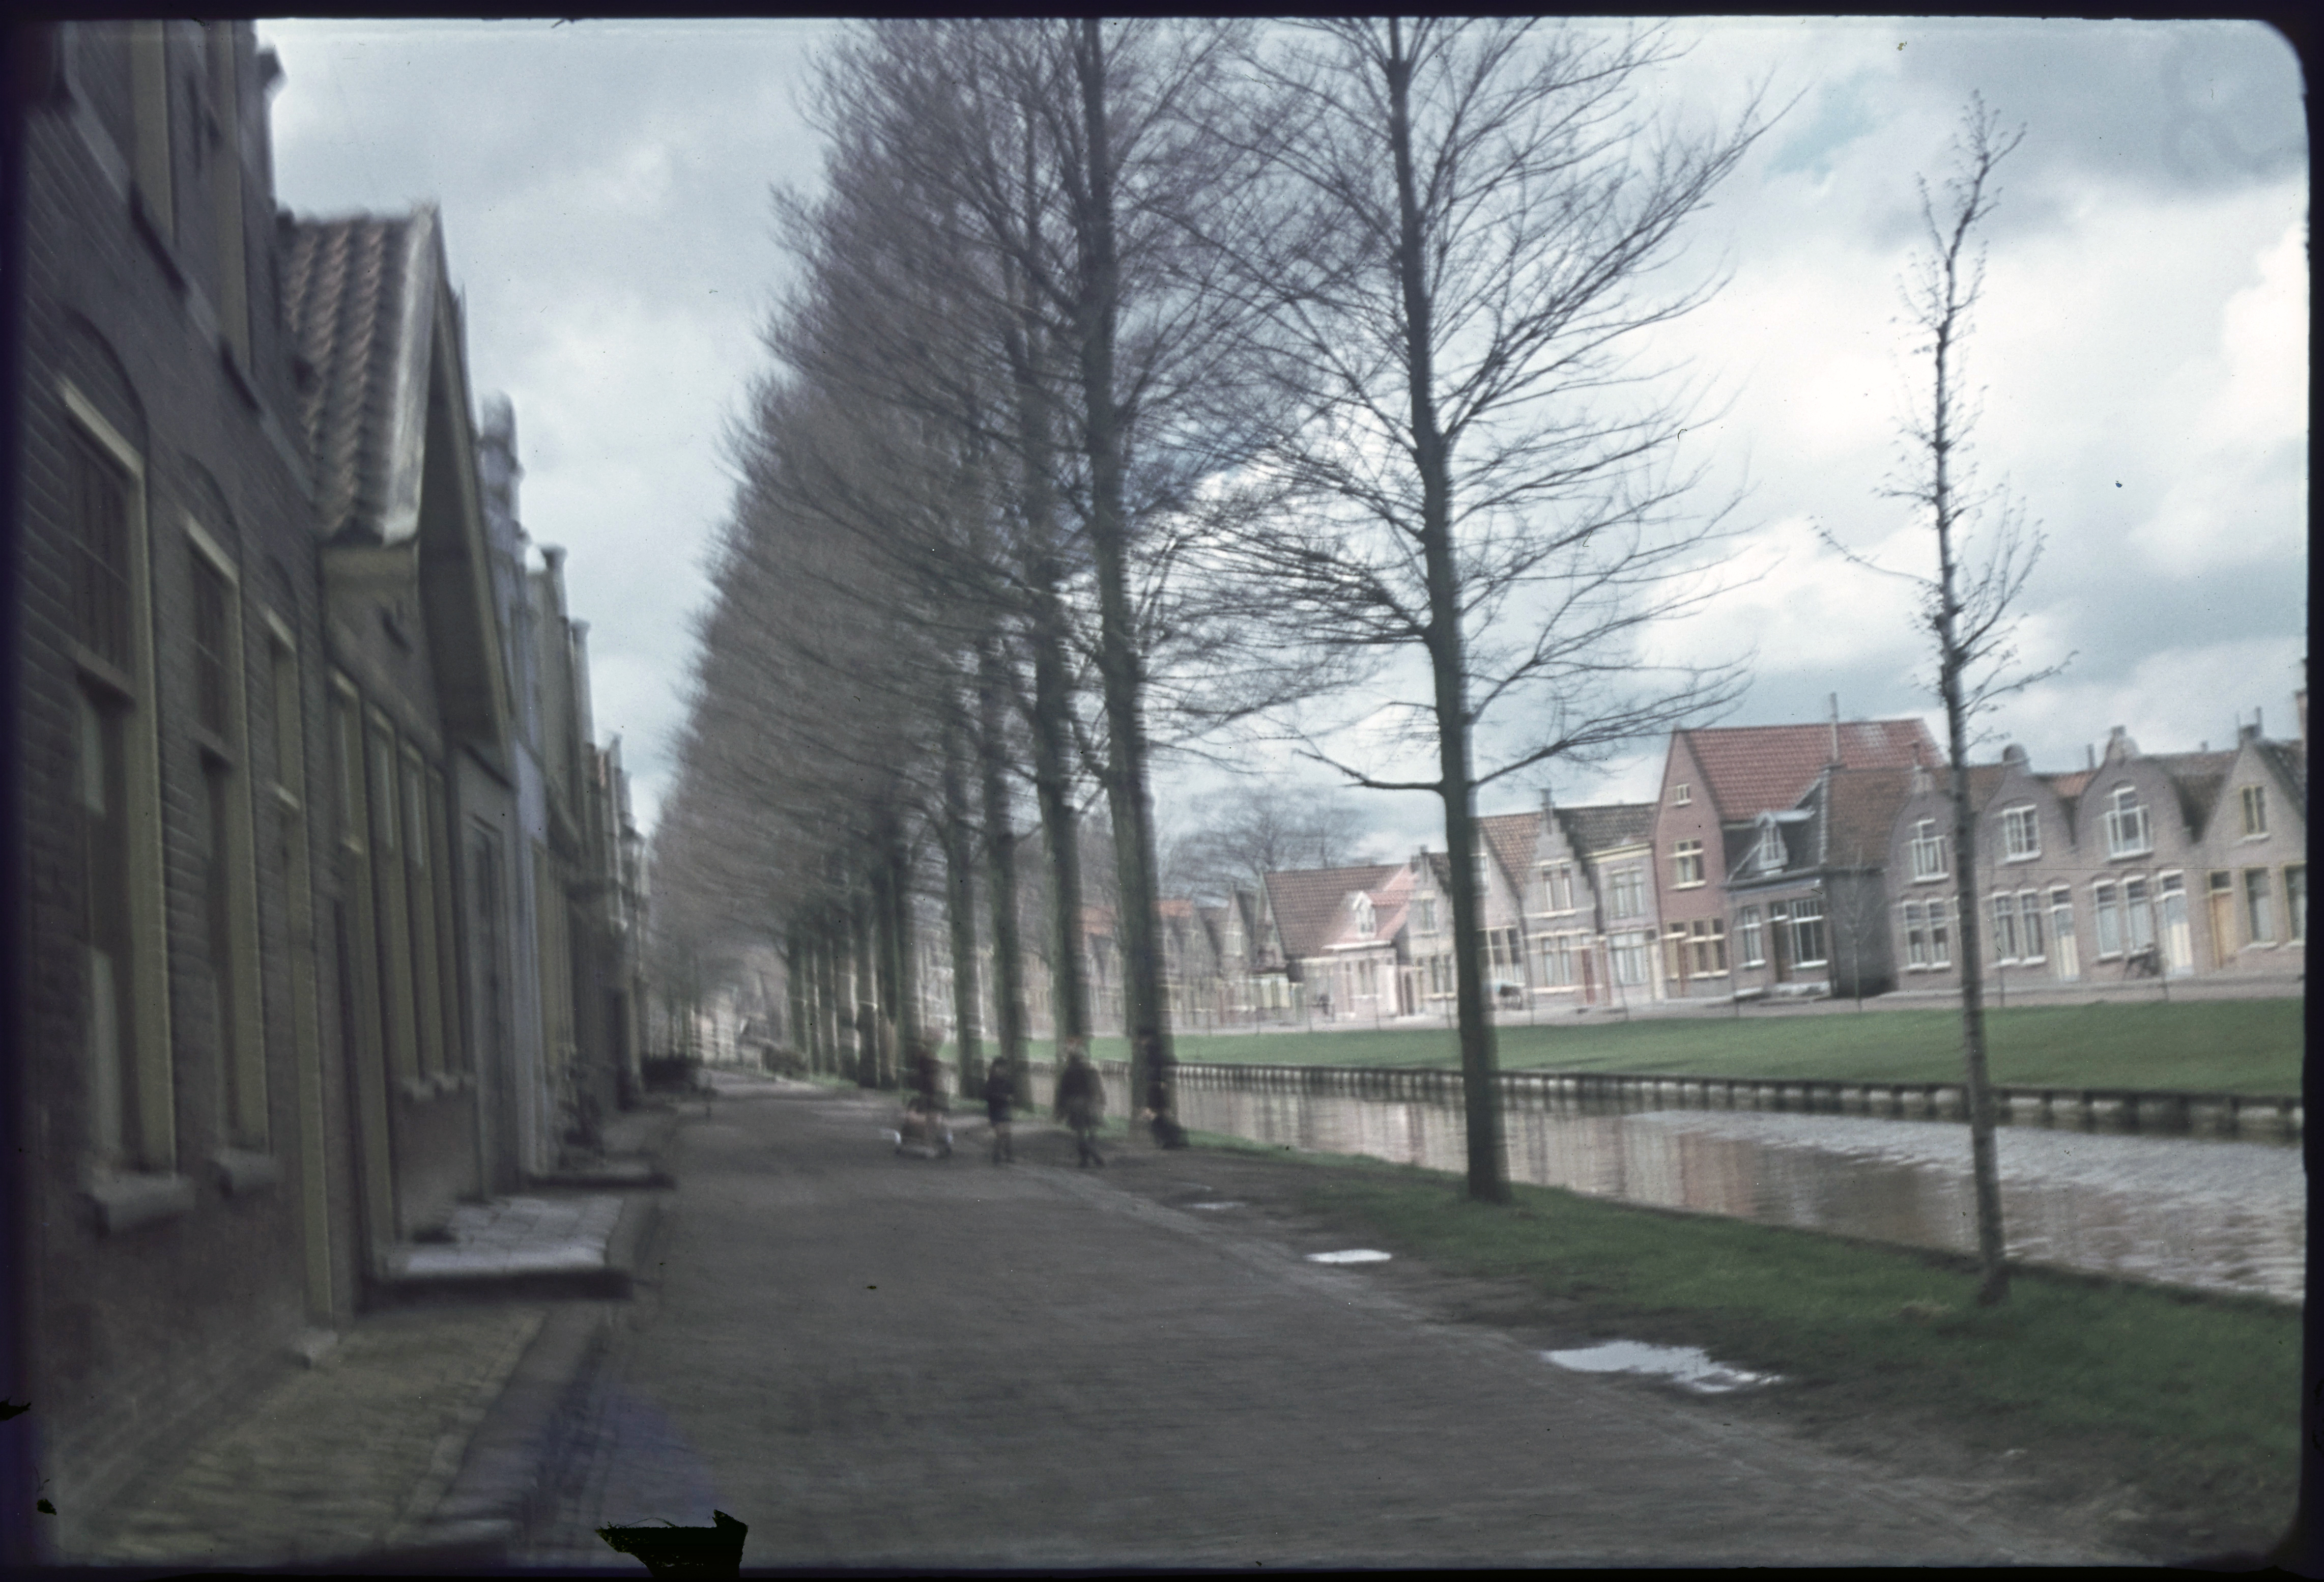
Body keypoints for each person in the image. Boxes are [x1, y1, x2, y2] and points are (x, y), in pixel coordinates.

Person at [1054, 1042, 1104, 1167]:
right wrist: (1101, 1101)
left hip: (1075, 1104)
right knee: (1091, 1131)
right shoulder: (1089, 1070)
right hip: (1090, 1103)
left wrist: (1060, 1110)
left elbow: (1063, 1092)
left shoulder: (1068, 1072)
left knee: (1081, 1133)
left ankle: (1087, 1158)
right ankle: (1093, 1153)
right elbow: (1096, 1087)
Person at [1136, 1032, 1188, 1149]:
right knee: (1159, 1113)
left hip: (1155, 1086)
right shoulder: (1154, 1051)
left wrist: (1158, 1081)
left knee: (1154, 1113)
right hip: (1156, 1086)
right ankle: (1170, 1137)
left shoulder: (1151, 1053)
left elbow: (1154, 1069)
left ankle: (1167, 1138)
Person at [983, 1055, 1016, 1164]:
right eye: (999, 1068)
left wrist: (1010, 1099)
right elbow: (988, 1096)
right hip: (995, 1110)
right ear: (995, 1068)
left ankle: (1008, 1153)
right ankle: (997, 1154)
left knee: (1007, 1132)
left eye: (1004, 1068)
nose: (1002, 1070)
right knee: (1001, 1132)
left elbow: (1012, 1093)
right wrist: (1003, 1097)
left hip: (1005, 1109)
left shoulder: (1007, 1082)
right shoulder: (991, 1083)